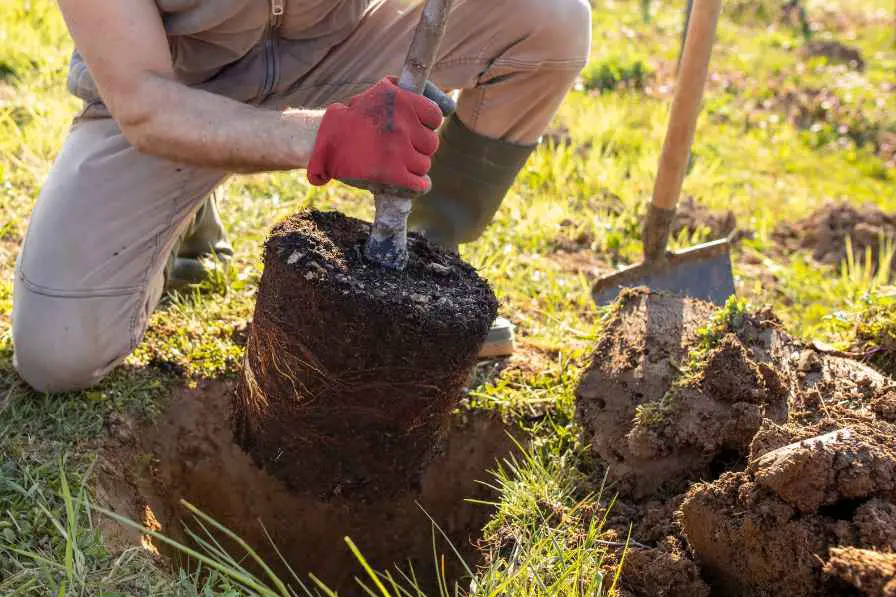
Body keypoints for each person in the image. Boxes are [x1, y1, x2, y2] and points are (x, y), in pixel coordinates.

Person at [11, 0, 592, 393]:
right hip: (172, 92)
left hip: (337, 52)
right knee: (56, 354)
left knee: (549, 18)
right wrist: (329, 136)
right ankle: (182, 210)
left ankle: (419, 276)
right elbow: (143, 101)